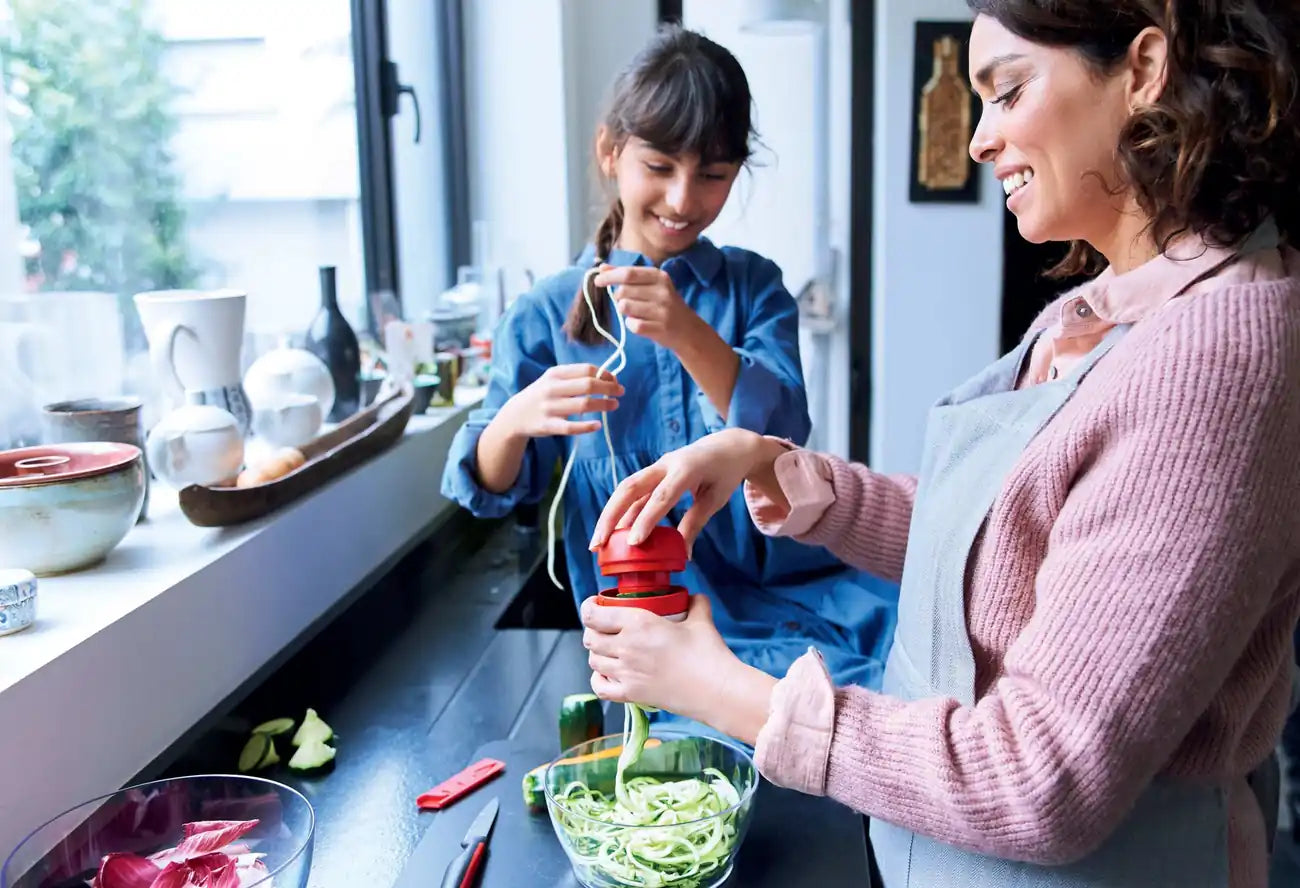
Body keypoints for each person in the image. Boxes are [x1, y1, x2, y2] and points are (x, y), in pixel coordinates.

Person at [582, 2, 1300, 885]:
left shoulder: (1217, 356)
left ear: (1144, 70)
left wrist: (721, 690)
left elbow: (1046, 780)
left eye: (1007, 92)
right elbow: (998, 540)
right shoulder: (1110, 309)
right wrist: (781, 472)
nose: (979, 141)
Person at [441, 26, 898, 705]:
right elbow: (491, 487)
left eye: (712, 175)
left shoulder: (752, 287)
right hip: (645, 613)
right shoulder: (546, 311)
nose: (684, 200)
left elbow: (781, 430)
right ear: (610, 152)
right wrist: (511, 422)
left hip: (784, 587)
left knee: (893, 679)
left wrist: (687, 331)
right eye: (660, 167)